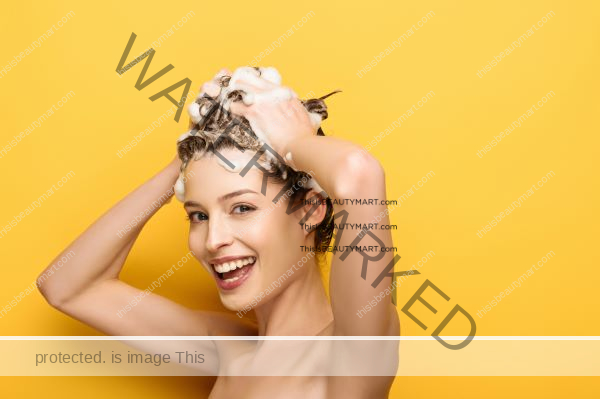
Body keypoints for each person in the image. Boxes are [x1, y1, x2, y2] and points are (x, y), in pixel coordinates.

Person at [38, 66, 400, 398]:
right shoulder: (227, 349)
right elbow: (66, 286)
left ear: (310, 210)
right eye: (198, 215)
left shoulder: (349, 354)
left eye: (242, 208)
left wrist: (291, 142)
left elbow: (358, 173)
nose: (213, 241)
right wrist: (188, 159)